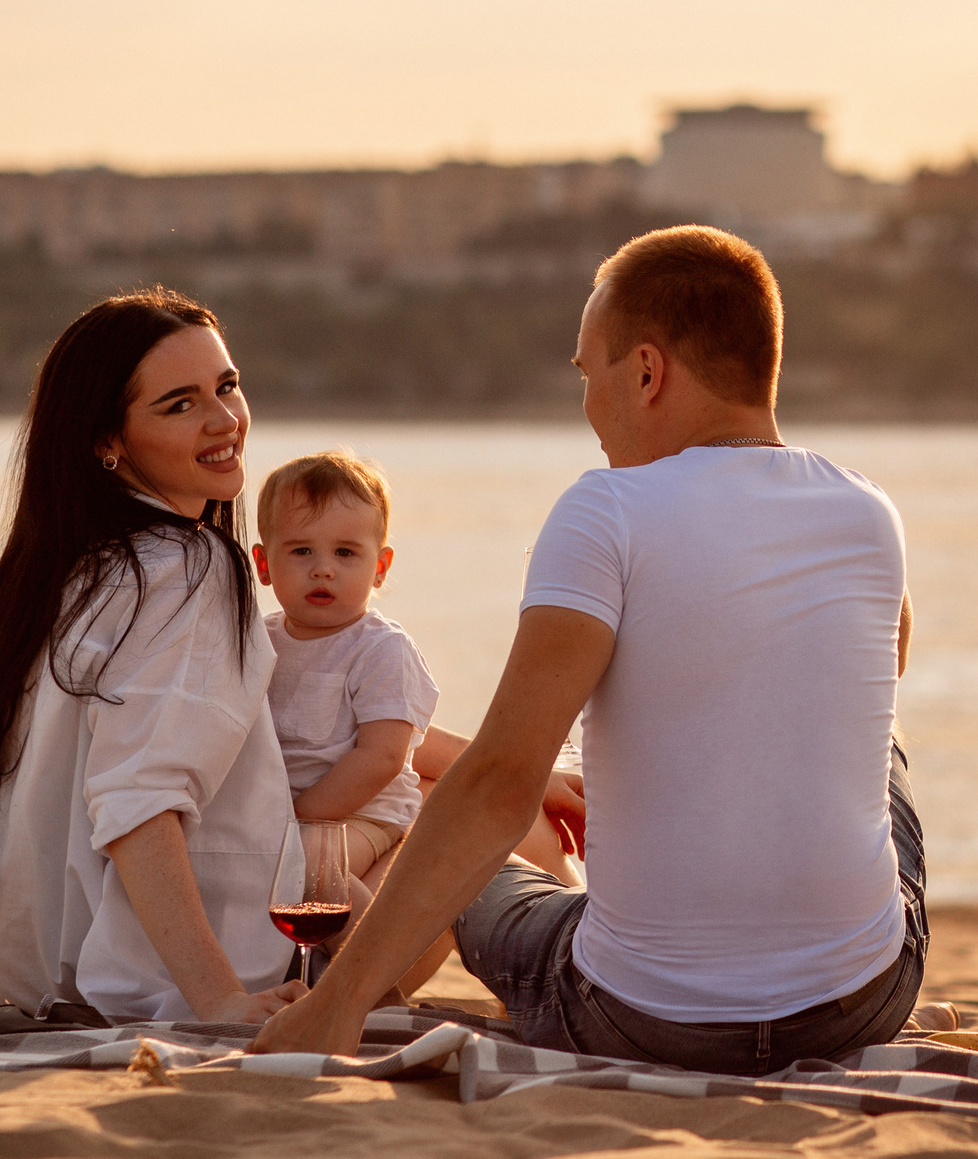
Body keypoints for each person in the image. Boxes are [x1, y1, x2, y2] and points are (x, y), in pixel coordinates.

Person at [254, 225, 924, 1072]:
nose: (586, 401)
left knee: (468, 855)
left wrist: (337, 1004)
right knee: (882, 743)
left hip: (640, 1017)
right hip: (860, 1005)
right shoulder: (869, 510)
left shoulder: (606, 509)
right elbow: (869, 670)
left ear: (645, 371)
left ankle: (383, 978)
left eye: (587, 370)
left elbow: (502, 781)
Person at [0, 289, 305, 1025]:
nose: (223, 420)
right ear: (107, 441)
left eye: (227, 386)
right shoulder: (192, 566)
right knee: (483, 843)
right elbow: (138, 803)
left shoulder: (76, 570)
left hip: (47, 980)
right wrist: (219, 999)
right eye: (179, 404)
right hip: (150, 987)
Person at [253, 451, 579, 891]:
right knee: (278, 865)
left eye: (346, 552)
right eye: (301, 550)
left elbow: (385, 756)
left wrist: (298, 816)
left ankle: (359, 960)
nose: (323, 568)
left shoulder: (382, 648)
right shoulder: (259, 642)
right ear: (264, 564)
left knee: (309, 868)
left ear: (380, 568)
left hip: (361, 813)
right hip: (287, 816)